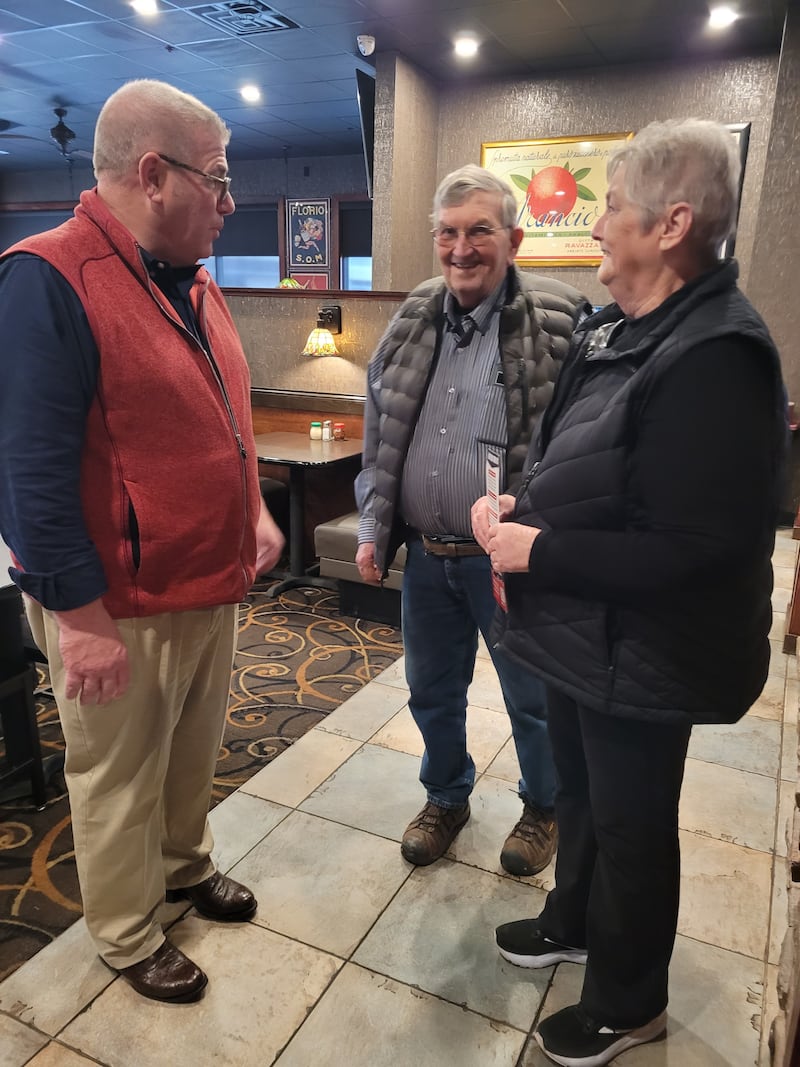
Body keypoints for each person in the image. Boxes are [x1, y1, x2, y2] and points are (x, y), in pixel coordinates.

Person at [471, 119, 786, 1066]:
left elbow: (696, 550)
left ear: (671, 224)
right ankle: (572, 921)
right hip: (585, 632)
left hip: (649, 647)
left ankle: (629, 1000)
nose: (597, 225)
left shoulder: (718, 354)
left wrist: (539, 551)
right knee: (581, 796)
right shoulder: (617, 327)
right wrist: (523, 505)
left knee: (633, 826)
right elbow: (585, 463)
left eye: (610, 207)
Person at [0, 80, 285, 1004]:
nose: (230, 202)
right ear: (153, 174)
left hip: (205, 577)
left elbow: (224, 418)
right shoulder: (48, 277)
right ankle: (126, 931)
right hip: (116, 601)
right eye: (219, 179)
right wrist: (78, 617)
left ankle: (184, 865)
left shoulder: (191, 278)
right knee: (119, 775)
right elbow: (27, 470)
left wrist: (252, 508)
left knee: (191, 753)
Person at [355, 164, 588, 875]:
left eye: (480, 231)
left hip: (510, 560)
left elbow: (580, 441)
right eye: (448, 233)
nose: (461, 249)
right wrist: (372, 524)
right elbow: (381, 421)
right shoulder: (413, 315)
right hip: (429, 556)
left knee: (533, 697)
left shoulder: (558, 319)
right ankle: (445, 797)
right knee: (431, 690)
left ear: (514, 239)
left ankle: (544, 807)